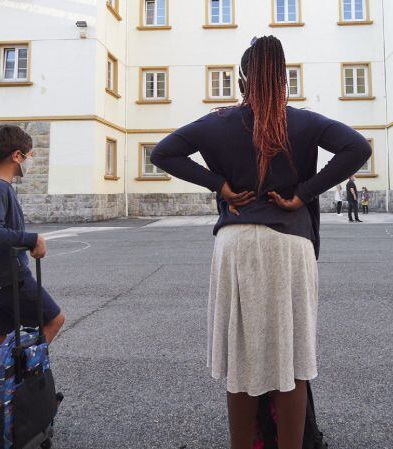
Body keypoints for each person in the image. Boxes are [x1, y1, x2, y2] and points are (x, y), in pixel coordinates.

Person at [149, 36, 371, 449]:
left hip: (236, 245)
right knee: (292, 358)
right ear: (283, 79)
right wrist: (304, 192)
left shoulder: (217, 122)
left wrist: (220, 185)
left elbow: (162, 154)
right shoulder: (302, 121)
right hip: (289, 242)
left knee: (241, 359)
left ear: (241, 79)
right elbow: (357, 147)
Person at [0, 124, 66, 365]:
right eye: (29, 156)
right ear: (17, 155)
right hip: (8, 277)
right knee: (54, 320)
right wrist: (33, 239)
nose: (29, 161)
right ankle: (21, 378)